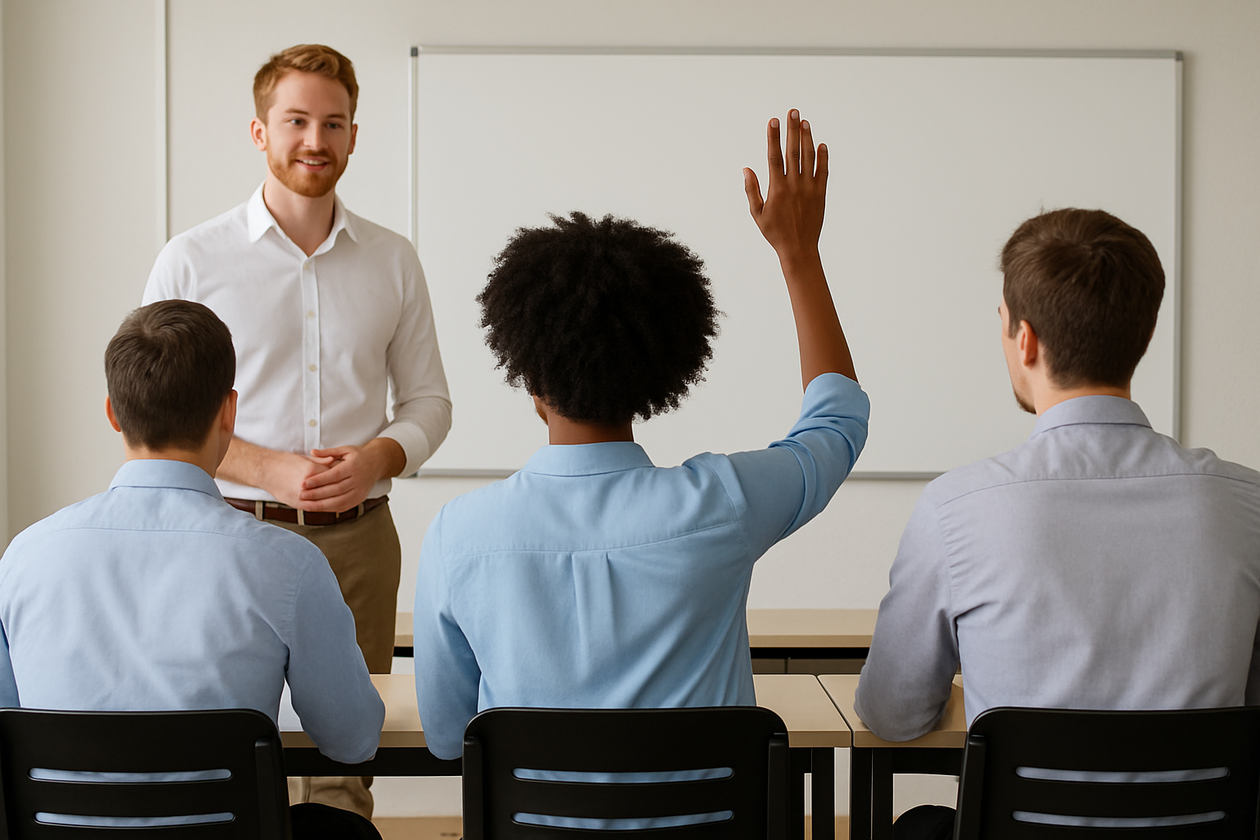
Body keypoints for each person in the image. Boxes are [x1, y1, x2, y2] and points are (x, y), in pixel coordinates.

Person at [412, 110, 869, 767]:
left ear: (530, 381)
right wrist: (799, 256)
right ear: (660, 373)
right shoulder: (724, 503)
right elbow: (838, 422)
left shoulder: (460, 536)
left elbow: (447, 734)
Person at [854, 208, 1260, 840]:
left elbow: (892, 714)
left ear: (1025, 339)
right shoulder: (1249, 506)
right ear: (1144, 335)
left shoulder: (957, 508)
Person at [143, 44, 450, 817]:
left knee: (345, 762)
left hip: (360, 543)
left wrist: (381, 452)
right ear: (259, 132)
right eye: (297, 121)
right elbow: (157, 410)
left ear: (354, 135)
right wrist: (264, 467)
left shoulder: (393, 260)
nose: (315, 140)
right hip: (228, 533)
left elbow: (430, 404)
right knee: (230, 745)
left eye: (333, 123)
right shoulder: (191, 260)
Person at [0, 300, 385, 840]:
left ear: (112, 412)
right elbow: (354, 740)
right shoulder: (288, 564)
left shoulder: (22, 558)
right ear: (229, 412)